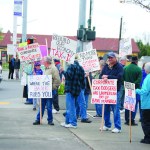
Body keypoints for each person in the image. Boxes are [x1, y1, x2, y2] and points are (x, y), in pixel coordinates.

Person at [100, 52, 124, 133]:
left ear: (115, 58)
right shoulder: (106, 66)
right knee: (106, 108)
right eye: (109, 58)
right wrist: (103, 77)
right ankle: (107, 125)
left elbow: (119, 77)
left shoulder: (119, 67)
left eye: (111, 57)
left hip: (116, 90)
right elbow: (101, 75)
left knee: (115, 109)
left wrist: (108, 77)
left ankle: (118, 127)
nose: (109, 59)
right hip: (106, 91)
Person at [33, 56, 61, 125]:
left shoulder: (53, 68)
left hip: (50, 90)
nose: (42, 62)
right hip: (44, 90)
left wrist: (52, 88)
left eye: (43, 61)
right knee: (42, 105)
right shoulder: (46, 68)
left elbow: (57, 80)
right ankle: (38, 119)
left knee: (49, 106)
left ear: (47, 62)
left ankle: (50, 120)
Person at [60, 57, 86, 128]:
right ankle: (67, 121)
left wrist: (62, 71)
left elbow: (68, 76)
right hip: (77, 89)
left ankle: (73, 123)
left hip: (70, 88)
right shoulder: (80, 67)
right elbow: (82, 80)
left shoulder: (71, 66)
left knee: (70, 106)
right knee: (71, 106)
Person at [123, 56, 142, 126]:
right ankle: (131, 120)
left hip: (127, 88)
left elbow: (122, 78)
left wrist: (127, 85)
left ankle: (126, 119)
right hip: (135, 89)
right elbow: (139, 80)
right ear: (137, 61)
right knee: (134, 105)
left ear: (131, 61)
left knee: (127, 103)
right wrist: (133, 85)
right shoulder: (139, 69)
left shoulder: (125, 68)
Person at [136, 62, 150, 144]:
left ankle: (147, 138)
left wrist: (136, 90)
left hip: (147, 103)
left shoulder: (148, 78)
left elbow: (145, 91)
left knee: (146, 122)